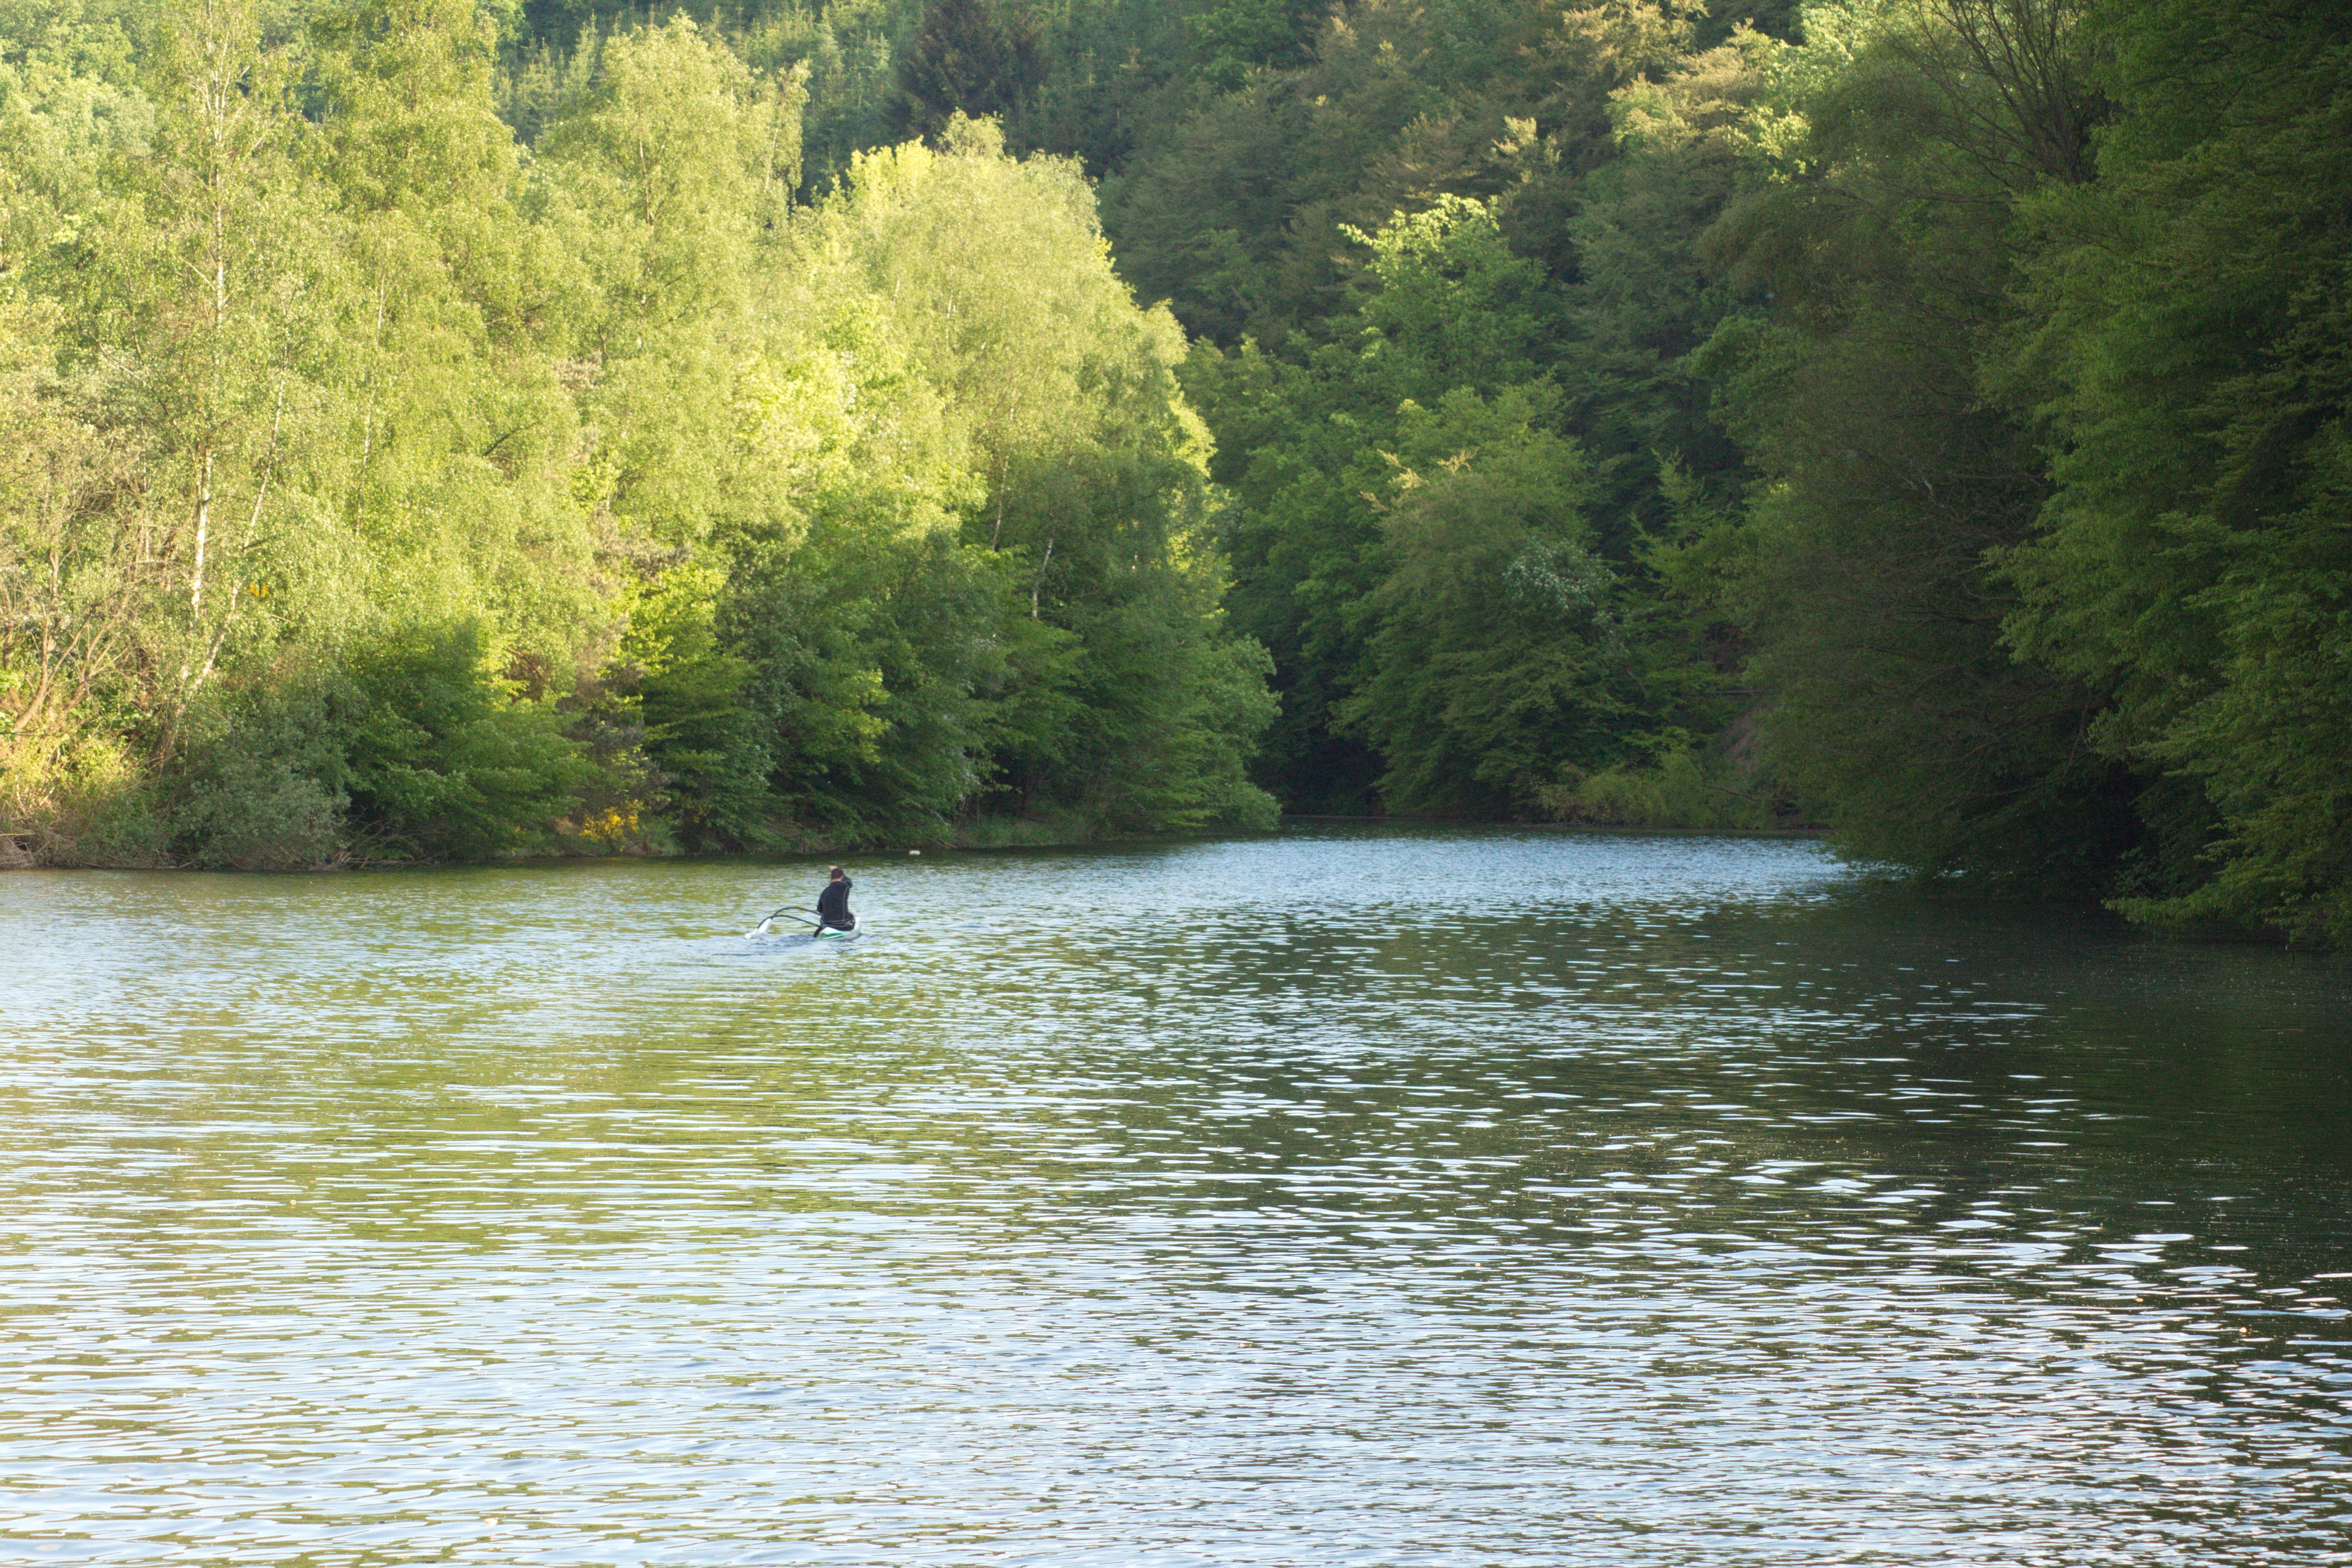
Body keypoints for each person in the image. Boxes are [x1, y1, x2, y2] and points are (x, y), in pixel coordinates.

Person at [814, 865, 855, 931]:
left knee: (824, 918)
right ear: (842, 877)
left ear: (831, 878)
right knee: (851, 914)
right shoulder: (844, 886)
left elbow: (820, 910)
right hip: (843, 925)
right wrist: (835, 869)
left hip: (826, 925)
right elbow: (849, 881)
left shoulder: (824, 892)